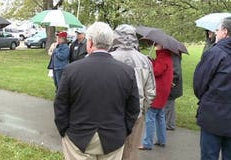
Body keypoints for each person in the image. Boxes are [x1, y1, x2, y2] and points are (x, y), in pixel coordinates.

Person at [54, 22, 140, 160]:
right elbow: (134, 108)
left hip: (80, 135)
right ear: (110, 44)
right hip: (107, 135)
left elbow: (61, 104)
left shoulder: (72, 70)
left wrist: (64, 130)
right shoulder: (126, 72)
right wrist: (124, 130)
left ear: (90, 43)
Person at [110, 24, 156, 160]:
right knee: (131, 151)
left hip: (112, 113)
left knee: (111, 151)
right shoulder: (145, 61)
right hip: (136, 113)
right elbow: (151, 91)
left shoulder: (109, 57)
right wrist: (142, 109)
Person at [193, 17, 231, 160]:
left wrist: (208, 100)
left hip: (213, 116)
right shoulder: (216, 52)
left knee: (209, 156)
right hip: (216, 112)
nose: (215, 33)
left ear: (225, 32)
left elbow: (199, 83)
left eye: (218, 30)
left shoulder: (214, 53)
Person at [139, 44, 173, 150]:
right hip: (163, 91)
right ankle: (161, 140)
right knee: (160, 115)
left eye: (157, 44)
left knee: (150, 117)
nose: (155, 45)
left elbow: (156, 71)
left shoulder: (162, 58)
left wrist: (149, 62)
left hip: (157, 91)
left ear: (162, 46)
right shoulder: (166, 57)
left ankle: (147, 143)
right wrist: (153, 61)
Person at [165, 53, 183, 131]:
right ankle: (169, 124)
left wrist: (170, 81)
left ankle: (169, 124)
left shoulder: (174, 56)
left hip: (172, 85)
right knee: (169, 106)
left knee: (169, 105)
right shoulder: (172, 55)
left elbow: (176, 72)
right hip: (172, 85)